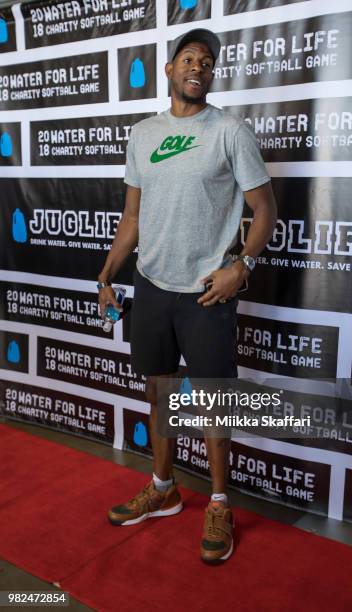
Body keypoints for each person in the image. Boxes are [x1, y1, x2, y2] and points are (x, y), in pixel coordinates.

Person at [97, 28, 277, 564]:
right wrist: (106, 275)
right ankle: (163, 487)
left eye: (208, 61)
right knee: (159, 392)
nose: (198, 67)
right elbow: (132, 217)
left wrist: (240, 266)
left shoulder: (230, 131)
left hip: (205, 291)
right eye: (188, 58)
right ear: (170, 70)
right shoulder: (143, 134)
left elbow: (265, 210)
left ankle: (219, 502)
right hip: (151, 285)